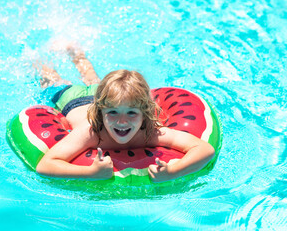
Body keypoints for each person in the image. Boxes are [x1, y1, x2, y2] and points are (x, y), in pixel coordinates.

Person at [35, 44, 215, 182]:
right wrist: (89, 172)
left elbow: (205, 149)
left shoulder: (151, 133)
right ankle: (37, 58)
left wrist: (174, 171)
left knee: (92, 77)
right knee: (52, 80)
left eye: (131, 113)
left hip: (106, 96)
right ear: (100, 112)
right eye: (113, 113)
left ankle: (77, 53)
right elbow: (45, 165)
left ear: (145, 113)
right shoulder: (92, 133)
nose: (122, 121)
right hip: (72, 100)